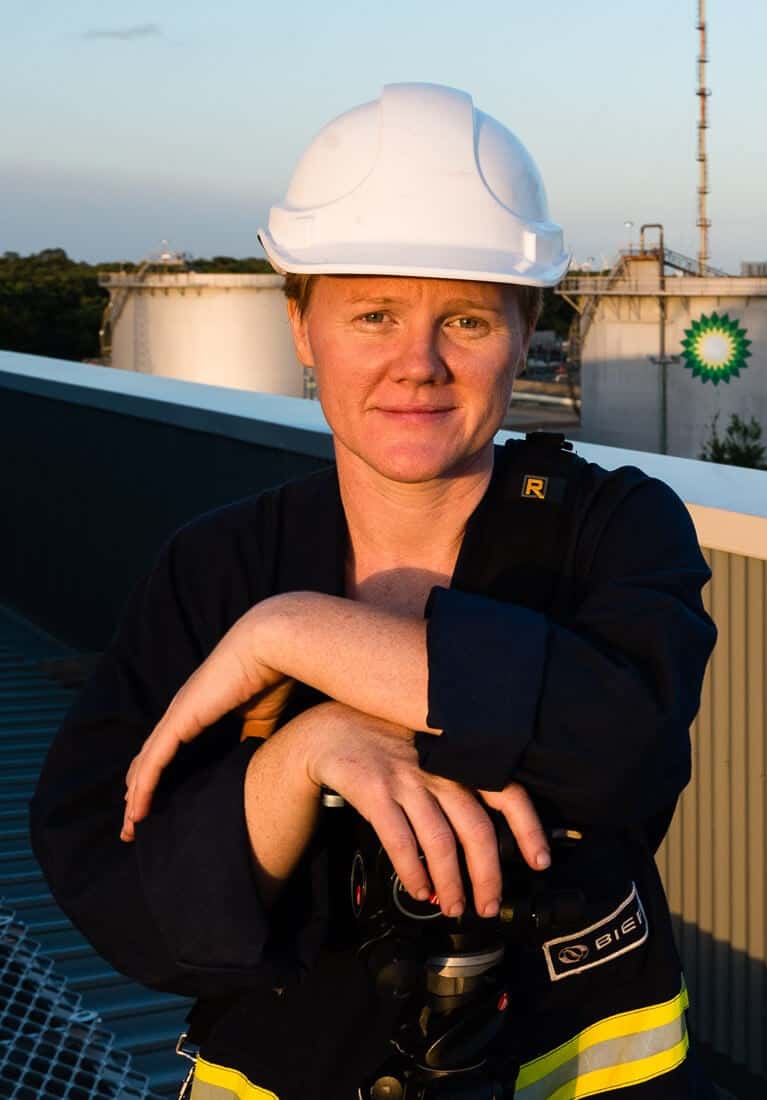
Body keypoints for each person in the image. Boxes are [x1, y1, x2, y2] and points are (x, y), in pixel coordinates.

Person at [31, 83, 717, 1099]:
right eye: (373, 313)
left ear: (524, 329)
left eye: (468, 318)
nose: (419, 364)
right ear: (302, 328)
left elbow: (625, 750)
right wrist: (304, 753)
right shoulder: (215, 566)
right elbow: (118, 884)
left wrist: (299, 632)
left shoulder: (609, 526)